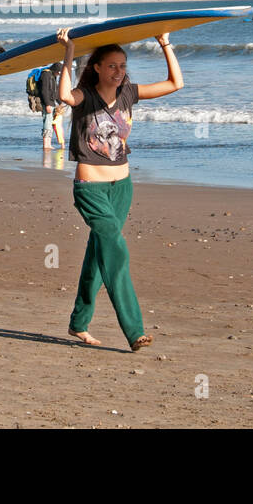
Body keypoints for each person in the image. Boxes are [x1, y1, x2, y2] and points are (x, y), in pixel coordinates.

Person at [55, 28, 183, 351]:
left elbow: (175, 84)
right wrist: (68, 53)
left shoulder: (128, 94)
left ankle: (78, 323)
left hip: (122, 188)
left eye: (123, 66)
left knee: (98, 256)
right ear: (97, 67)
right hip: (91, 190)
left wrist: (164, 43)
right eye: (112, 66)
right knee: (116, 251)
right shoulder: (85, 96)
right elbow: (65, 97)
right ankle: (134, 330)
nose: (119, 72)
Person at [40, 61, 65, 150]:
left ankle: (48, 143)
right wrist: (47, 104)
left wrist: (60, 102)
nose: (59, 74)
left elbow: (55, 91)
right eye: (58, 72)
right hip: (47, 103)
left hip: (52, 103)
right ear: (55, 69)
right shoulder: (46, 75)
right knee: (47, 122)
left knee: (50, 123)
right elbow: (44, 90)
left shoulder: (53, 75)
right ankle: (46, 144)